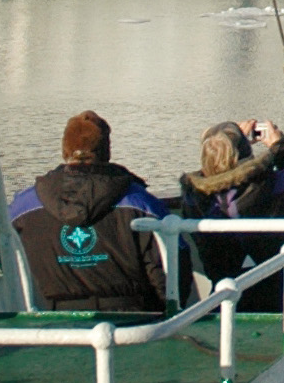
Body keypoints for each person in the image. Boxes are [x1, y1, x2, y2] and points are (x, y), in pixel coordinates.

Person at [12, 112, 170, 313]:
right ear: (106, 151)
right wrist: (164, 313)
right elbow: (168, 261)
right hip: (134, 318)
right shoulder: (139, 202)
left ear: (65, 150)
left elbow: (7, 253)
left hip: (58, 323)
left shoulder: (24, 205)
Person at [181, 119, 284, 309]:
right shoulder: (273, 186)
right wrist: (280, 146)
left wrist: (222, 142)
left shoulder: (194, 198)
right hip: (277, 294)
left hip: (224, 295)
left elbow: (214, 177)